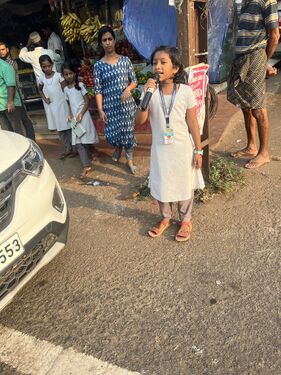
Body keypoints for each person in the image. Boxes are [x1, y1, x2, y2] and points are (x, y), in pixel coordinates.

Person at [135, 46, 205, 242]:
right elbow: (140, 120)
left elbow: (193, 123)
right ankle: (165, 218)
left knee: (184, 182)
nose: (157, 66)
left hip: (182, 148)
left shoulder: (185, 92)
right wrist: (146, 96)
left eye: (163, 62)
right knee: (162, 182)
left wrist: (198, 150)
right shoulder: (149, 92)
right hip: (160, 150)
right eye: (155, 63)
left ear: (175, 68)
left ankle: (185, 220)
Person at [227, 0, 280, 169]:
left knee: (257, 106)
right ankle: (251, 146)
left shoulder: (267, 1)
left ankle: (264, 153)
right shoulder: (244, 3)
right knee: (246, 105)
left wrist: (264, 61)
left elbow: (275, 34)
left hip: (255, 56)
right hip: (241, 58)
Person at [94, 26, 138, 174]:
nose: (107, 43)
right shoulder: (98, 66)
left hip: (126, 104)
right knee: (113, 133)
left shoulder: (125, 60)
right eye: (104, 40)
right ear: (101, 43)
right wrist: (100, 109)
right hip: (110, 106)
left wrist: (128, 89)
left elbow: (134, 81)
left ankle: (129, 159)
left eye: (110, 39)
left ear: (114, 40)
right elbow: (98, 90)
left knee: (127, 131)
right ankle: (118, 147)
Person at [62, 62, 99, 178]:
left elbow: (87, 101)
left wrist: (81, 114)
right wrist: (69, 114)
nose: (68, 76)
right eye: (66, 74)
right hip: (74, 119)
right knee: (79, 143)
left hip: (83, 117)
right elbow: (68, 104)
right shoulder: (66, 90)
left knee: (85, 140)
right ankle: (86, 166)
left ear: (75, 73)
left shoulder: (81, 85)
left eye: (70, 73)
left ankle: (93, 151)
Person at [38, 55, 72, 158]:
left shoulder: (59, 76)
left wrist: (70, 104)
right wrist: (45, 98)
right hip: (53, 107)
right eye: (44, 67)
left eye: (49, 66)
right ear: (41, 67)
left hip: (64, 105)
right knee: (61, 130)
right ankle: (68, 148)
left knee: (70, 127)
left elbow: (65, 90)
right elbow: (39, 90)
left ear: (52, 65)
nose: (47, 68)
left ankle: (78, 147)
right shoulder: (42, 78)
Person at [0, 40, 36, 140]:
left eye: (3, 49)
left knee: (23, 121)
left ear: (7, 50)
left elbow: (11, 84)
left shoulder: (10, 63)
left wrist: (11, 101)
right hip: (9, 97)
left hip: (15, 94)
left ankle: (31, 141)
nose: (1, 52)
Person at [0, 58, 24, 135]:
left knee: (17, 131)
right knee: (7, 132)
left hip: (10, 104)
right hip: (1, 106)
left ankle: (21, 146)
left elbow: (11, 85)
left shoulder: (5, 66)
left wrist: (10, 102)